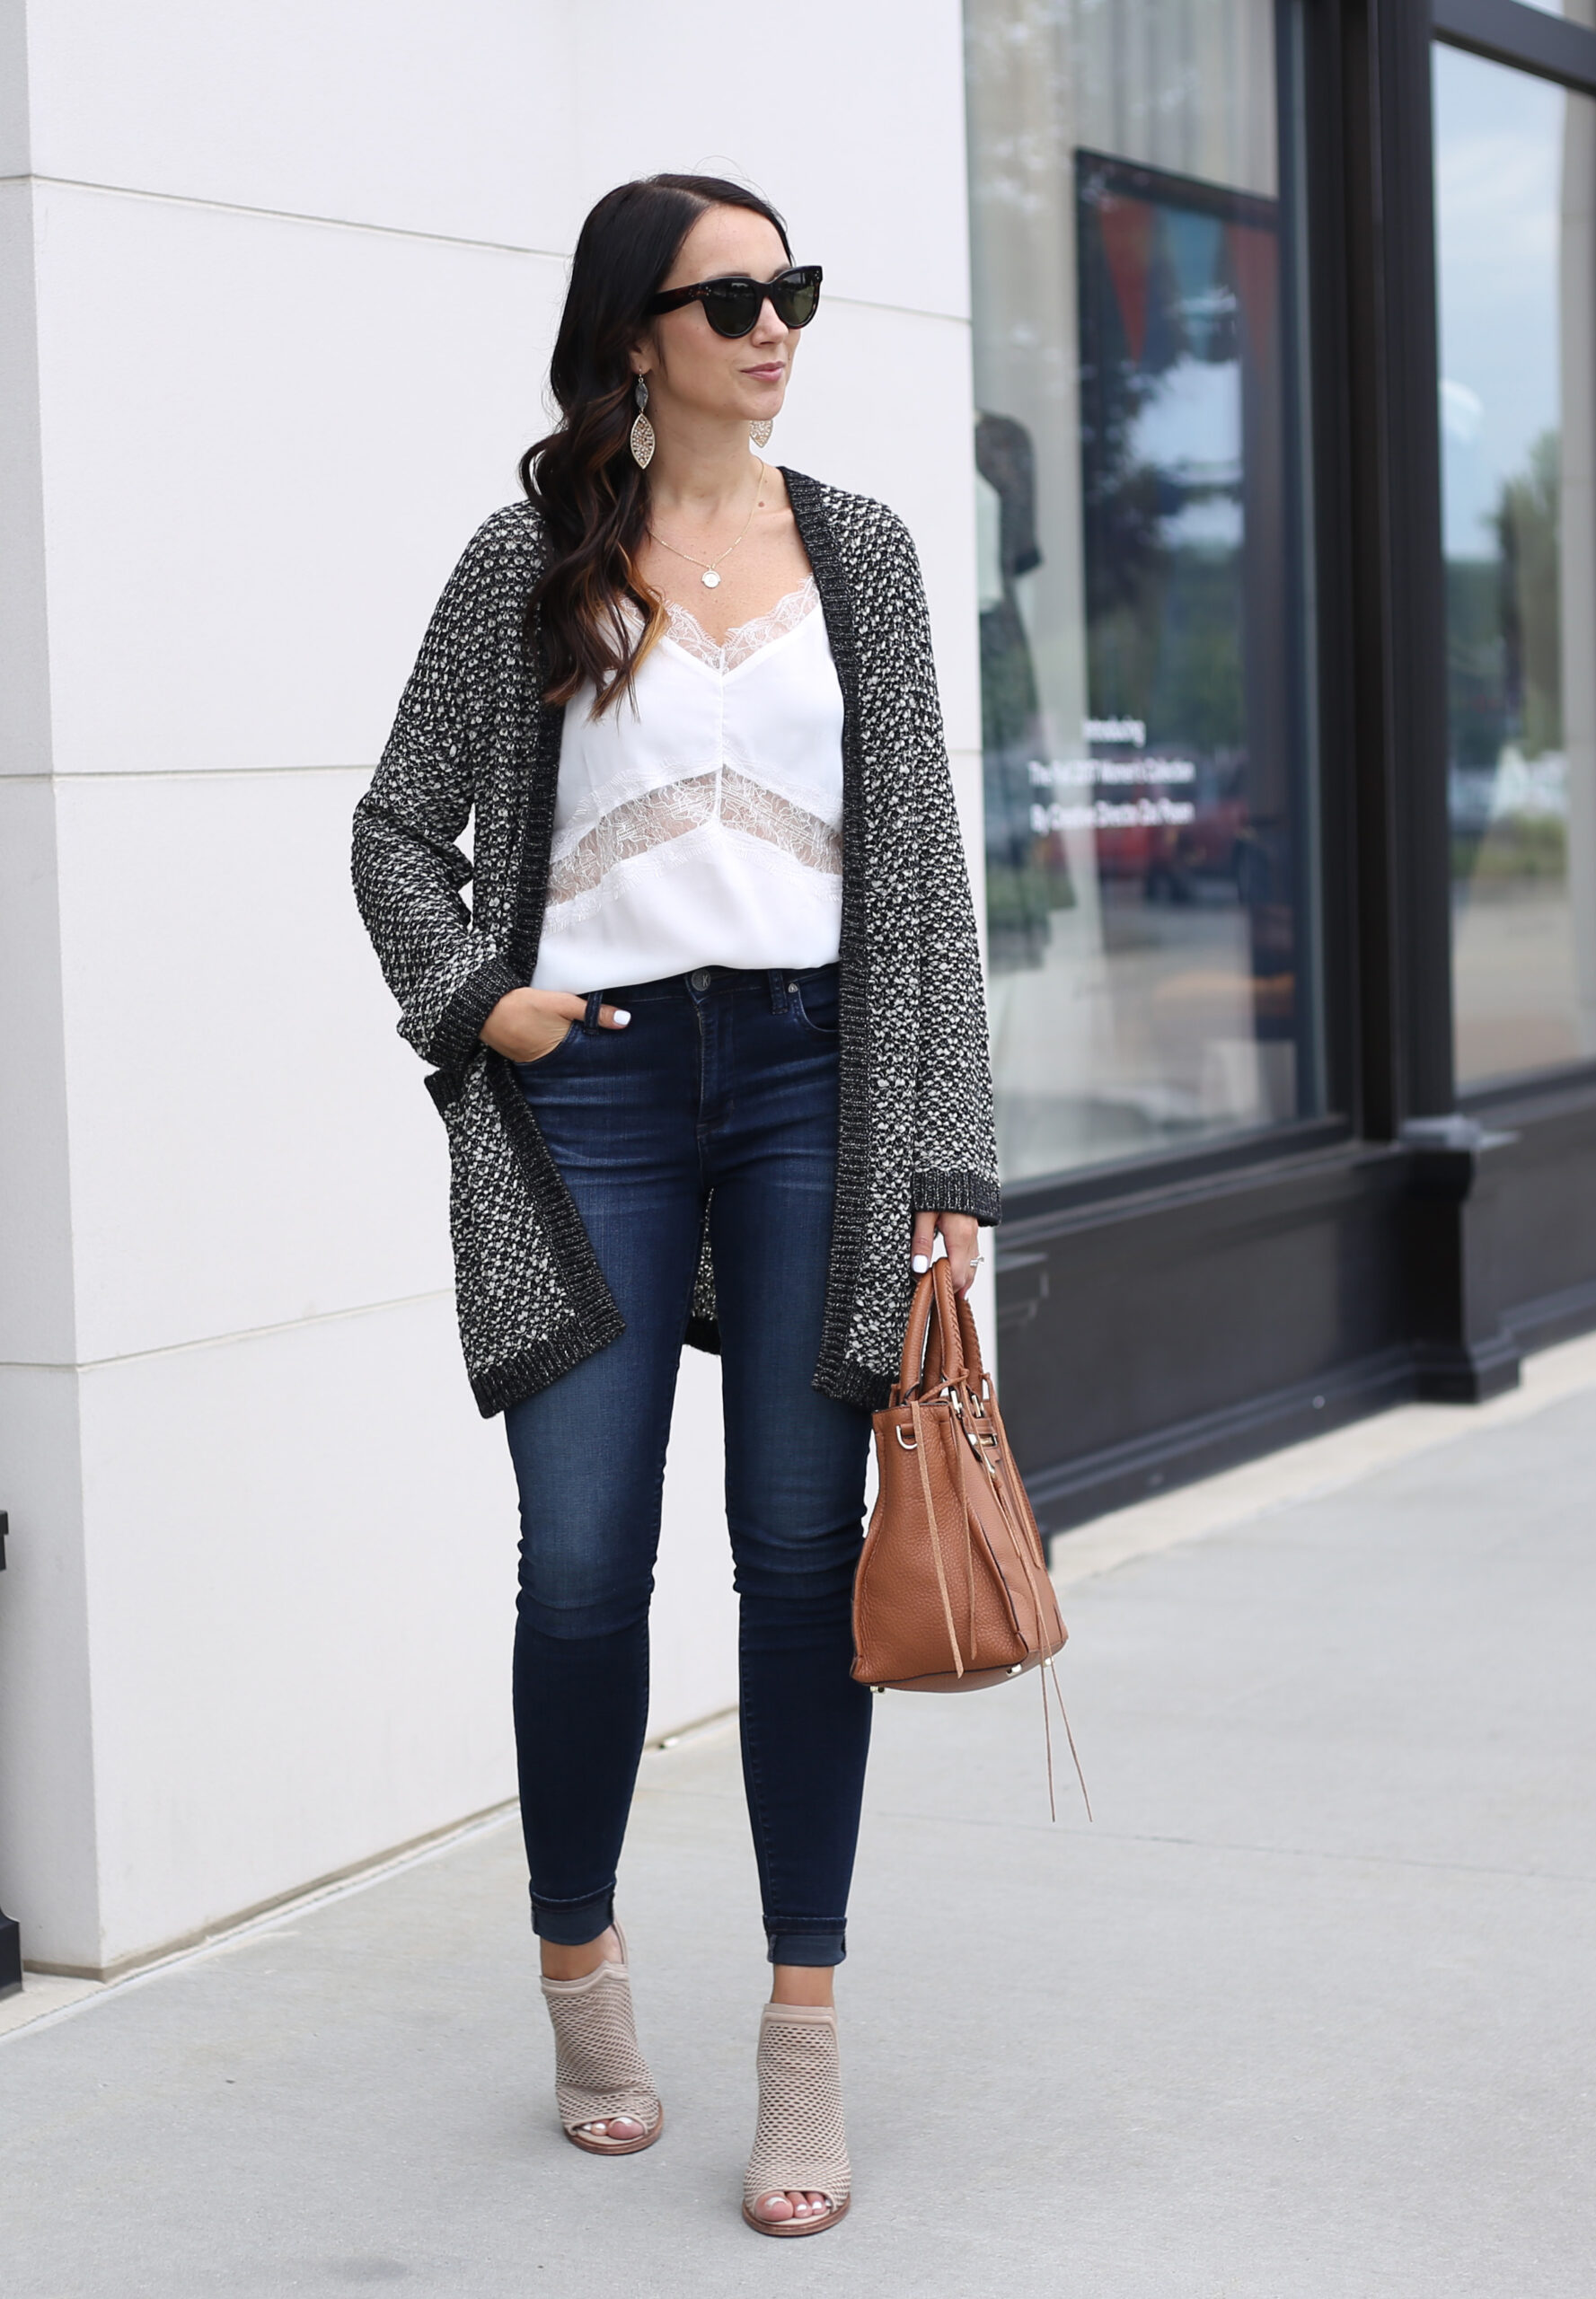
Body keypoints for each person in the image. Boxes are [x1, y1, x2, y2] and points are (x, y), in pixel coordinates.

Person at [351, 173, 999, 2238]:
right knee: (580, 1565)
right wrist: (481, 1002)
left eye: (792, 289)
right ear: (637, 329)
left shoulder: (868, 558)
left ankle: (799, 2037)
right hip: (600, 1095)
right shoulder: (533, 558)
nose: (775, 324)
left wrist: (946, 1159)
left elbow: (924, 880)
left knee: (806, 1567)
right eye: (731, 297)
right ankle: (581, 1976)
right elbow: (394, 830)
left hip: (822, 1080)